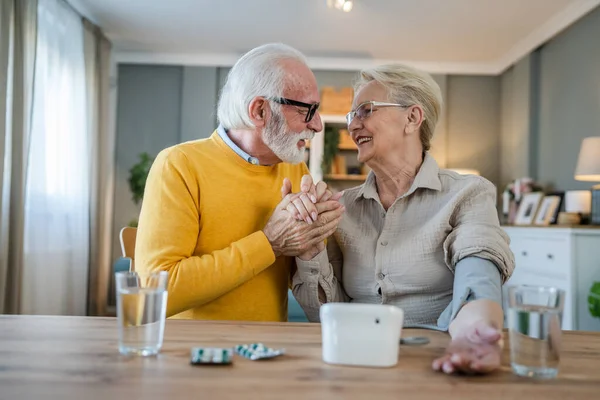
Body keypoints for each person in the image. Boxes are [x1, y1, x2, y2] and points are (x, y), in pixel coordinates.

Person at [291, 64, 515, 374]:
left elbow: (478, 272)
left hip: (435, 361)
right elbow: (326, 314)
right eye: (351, 116)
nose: (353, 127)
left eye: (365, 111)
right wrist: (310, 248)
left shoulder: (468, 193)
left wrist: (476, 331)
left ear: (412, 118)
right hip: (353, 361)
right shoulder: (343, 208)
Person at [135, 43, 344, 322]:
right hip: (192, 357)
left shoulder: (295, 169)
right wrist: (269, 243)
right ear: (259, 111)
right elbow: (154, 292)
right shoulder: (179, 164)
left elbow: (312, 303)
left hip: (268, 353)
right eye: (307, 110)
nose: (317, 125)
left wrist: (310, 249)